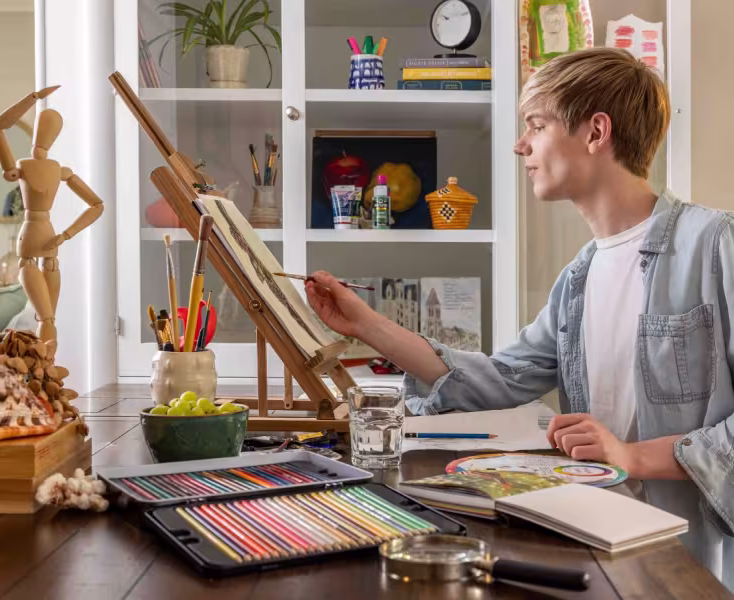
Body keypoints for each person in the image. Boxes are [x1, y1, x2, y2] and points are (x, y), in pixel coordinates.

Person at [306, 47, 734, 589]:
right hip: (600, 548)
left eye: (536, 124)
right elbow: (497, 379)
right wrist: (366, 325)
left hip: (690, 563)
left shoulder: (716, 243)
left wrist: (633, 457)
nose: (520, 145)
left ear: (596, 132)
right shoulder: (579, 278)